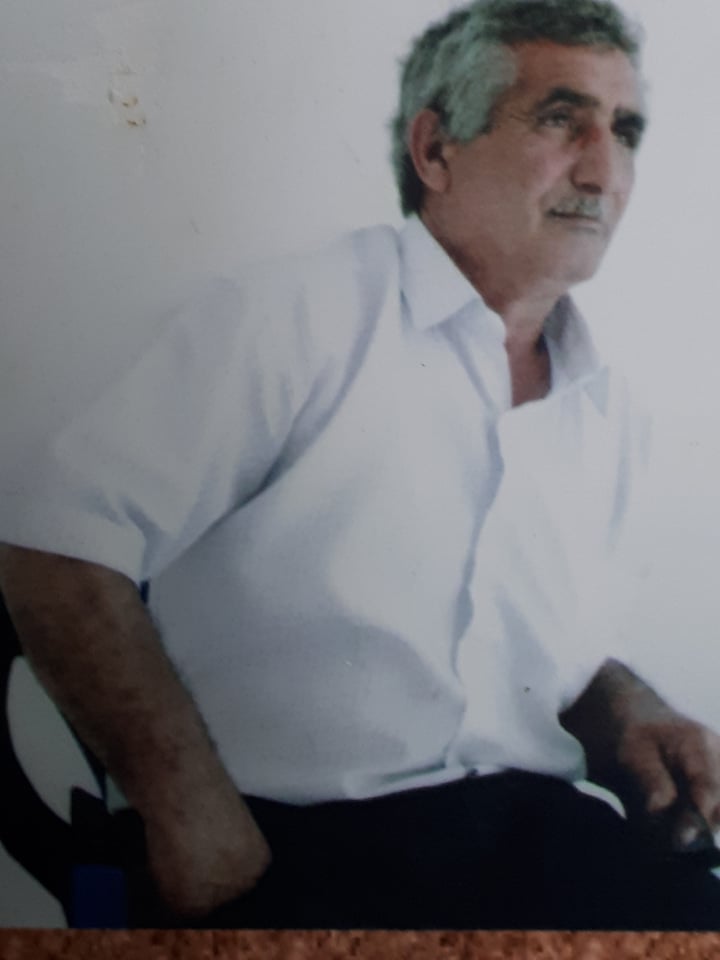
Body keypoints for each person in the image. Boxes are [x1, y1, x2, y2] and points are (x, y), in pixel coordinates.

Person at [2, 0, 720, 930]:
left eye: (624, 131)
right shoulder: (290, 320)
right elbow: (54, 548)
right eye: (560, 119)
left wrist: (626, 709)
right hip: (305, 846)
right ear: (435, 150)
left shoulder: (607, 405)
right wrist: (191, 817)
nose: (602, 169)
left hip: (535, 839)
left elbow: (518, 654)